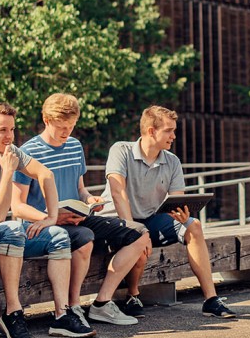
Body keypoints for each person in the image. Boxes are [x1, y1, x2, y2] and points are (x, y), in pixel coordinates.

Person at [0, 102, 95, 338]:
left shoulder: (11, 151)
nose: (9, 136)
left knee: (59, 235)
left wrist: (51, 218)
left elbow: (45, 174)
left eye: (12, 130)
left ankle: (62, 315)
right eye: (3, 130)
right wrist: (7, 173)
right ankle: (13, 313)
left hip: (0, 235)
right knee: (14, 228)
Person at [13, 93, 151, 325]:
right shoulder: (27, 153)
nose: (66, 133)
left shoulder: (75, 146)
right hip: (44, 225)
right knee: (85, 238)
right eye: (61, 127)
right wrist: (53, 217)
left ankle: (101, 303)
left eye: (71, 126)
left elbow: (80, 189)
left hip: (76, 218)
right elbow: (17, 207)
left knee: (139, 233)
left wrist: (89, 200)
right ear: (46, 120)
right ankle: (74, 305)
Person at [103, 105, 236, 318]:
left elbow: (176, 198)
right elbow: (119, 194)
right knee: (139, 242)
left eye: (174, 130)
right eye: (169, 130)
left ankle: (211, 300)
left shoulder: (172, 161)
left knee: (193, 225)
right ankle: (132, 295)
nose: (173, 136)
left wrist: (181, 214)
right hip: (117, 220)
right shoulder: (121, 150)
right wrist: (136, 230)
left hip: (150, 219)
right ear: (151, 131)